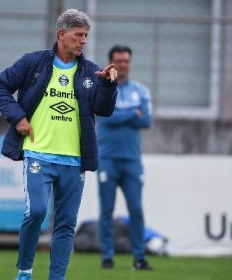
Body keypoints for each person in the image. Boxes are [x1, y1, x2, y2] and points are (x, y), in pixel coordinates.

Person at [0, 9, 118, 280]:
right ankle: (25, 271)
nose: (83, 41)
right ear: (62, 34)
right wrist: (18, 118)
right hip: (38, 155)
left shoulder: (92, 72)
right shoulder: (33, 62)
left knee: (66, 224)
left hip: (74, 160)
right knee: (36, 211)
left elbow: (103, 110)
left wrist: (107, 86)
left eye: (86, 35)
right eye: (78, 35)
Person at [96, 45, 152, 270]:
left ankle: (139, 257)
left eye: (126, 61)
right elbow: (105, 118)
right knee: (106, 211)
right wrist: (132, 114)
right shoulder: (103, 89)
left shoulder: (141, 91)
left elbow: (146, 120)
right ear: (111, 63)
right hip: (107, 159)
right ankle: (107, 257)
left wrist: (120, 114)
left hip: (131, 161)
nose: (123, 65)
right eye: (118, 61)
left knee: (136, 209)